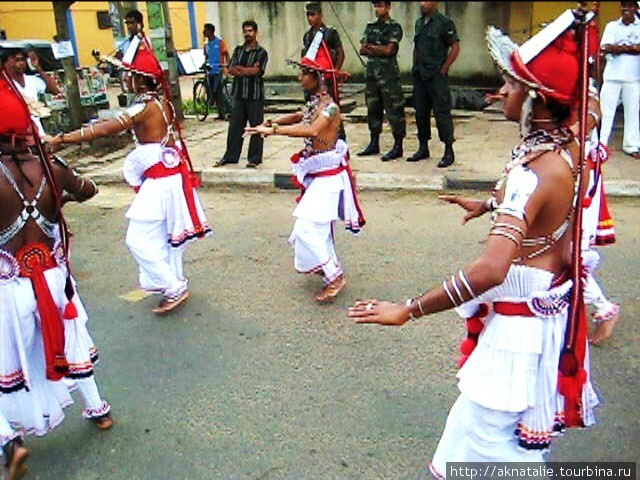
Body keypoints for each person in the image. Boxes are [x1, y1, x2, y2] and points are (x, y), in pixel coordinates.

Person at [349, 9, 599, 475]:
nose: (502, 90)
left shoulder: (533, 172)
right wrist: (488, 204)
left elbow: (490, 270)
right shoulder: (569, 147)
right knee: (469, 440)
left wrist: (408, 308)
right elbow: (546, 213)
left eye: (513, 84)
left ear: (539, 100)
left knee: (493, 452)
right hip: (535, 324)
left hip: (517, 340)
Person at [46, 37, 211, 314]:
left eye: (128, 75)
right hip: (168, 178)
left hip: (160, 183)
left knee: (137, 238)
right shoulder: (160, 102)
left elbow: (107, 129)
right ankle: (173, 280)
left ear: (139, 79)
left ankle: (173, 286)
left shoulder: (143, 107)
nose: (125, 79)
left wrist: (61, 139)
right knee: (160, 236)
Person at [0, 71, 112, 480]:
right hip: (53, 281)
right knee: (72, 342)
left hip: (9, 289)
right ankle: (99, 410)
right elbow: (90, 190)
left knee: (10, 359)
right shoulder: (53, 167)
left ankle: (9, 442)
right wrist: (56, 190)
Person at [245, 37, 365, 302]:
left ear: (318, 78)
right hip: (320, 176)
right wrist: (272, 122)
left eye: (304, 73)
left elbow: (311, 129)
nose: (300, 78)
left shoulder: (330, 107)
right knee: (316, 229)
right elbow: (301, 116)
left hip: (329, 178)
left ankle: (335, 276)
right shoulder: (315, 103)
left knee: (307, 229)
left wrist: (274, 130)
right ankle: (330, 269)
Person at [409, 1, 460, 168]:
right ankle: (423, 147)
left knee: (442, 113)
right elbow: (417, 46)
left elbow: (455, 46)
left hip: (436, 76)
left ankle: (448, 151)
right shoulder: (419, 23)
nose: (423, 4)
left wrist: (444, 69)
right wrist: (415, 66)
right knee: (421, 112)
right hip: (420, 75)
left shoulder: (444, 23)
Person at [215, 20, 269, 169]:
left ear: (256, 32)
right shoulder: (238, 50)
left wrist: (242, 70)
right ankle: (231, 156)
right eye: (245, 31)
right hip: (239, 95)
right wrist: (247, 70)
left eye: (250, 31)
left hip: (254, 96)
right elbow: (231, 68)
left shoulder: (261, 52)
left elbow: (257, 71)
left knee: (256, 128)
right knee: (235, 127)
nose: (247, 34)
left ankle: (254, 158)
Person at [357, 1, 406, 162]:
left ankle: (398, 145)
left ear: (388, 7)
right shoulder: (370, 27)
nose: (378, 9)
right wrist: (379, 49)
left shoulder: (394, 27)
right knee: (373, 109)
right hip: (372, 76)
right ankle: (374, 142)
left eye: (381, 6)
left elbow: (390, 50)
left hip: (389, 77)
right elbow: (362, 50)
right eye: (376, 6)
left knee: (394, 110)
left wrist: (371, 47)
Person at [598, 1, 640, 159]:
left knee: (632, 111)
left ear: (636, 9)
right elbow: (606, 47)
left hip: (633, 77)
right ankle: (601, 143)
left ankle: (631, 145)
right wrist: (631, 48)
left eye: (630, 6)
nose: (626, 9)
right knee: (605, 112)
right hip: (612, 76)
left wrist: (619, 48)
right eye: (624, 6)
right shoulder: (612, 26)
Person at [302, 2, 347, 140]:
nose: (310, 18)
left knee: (331, 111)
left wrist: (335, 71)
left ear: (320, 15)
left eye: (313, 15)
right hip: (314, 80)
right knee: (314, 111)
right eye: (308, 15)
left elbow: (341, 54)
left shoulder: (330, 33)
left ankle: (340, 143)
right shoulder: (308, 36)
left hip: (327, 79)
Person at [2, 48, 60, 139]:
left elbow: (55, 91)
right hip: (19, 135)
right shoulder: (4, 85)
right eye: (16, 60)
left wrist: (38, 67)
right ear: (6, 64)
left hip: (39, 132)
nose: (21, 63)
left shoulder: (32, 80)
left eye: (22, 60)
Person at [202, 23, 230, 120]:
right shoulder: (206, 45)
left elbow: (226, 54)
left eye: (206, 30)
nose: (203, 32)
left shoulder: (219, 42)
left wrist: (227, 66)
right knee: (212, 93)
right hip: (210, 72)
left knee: (218, 91)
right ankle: (220, 113)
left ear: (211, 31)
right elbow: (206, 56)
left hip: (218, 70)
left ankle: (226, 112)